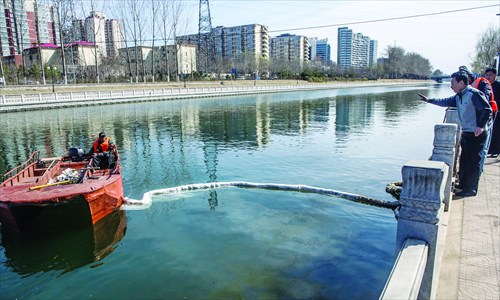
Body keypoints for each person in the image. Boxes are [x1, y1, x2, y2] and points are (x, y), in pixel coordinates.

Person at [418, 71, 492, 197]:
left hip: (477, 133)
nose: (451, 86)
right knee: (464, 161)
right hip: (467, 132)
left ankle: (471, 189)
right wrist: (430, 100)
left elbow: (486, 110)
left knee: (473, 162)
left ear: (461, 83)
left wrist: (480, 126)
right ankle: (463, 185)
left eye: (453, 83)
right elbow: (445, 101)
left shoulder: (474, 94)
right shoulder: (458, 96)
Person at [484, 67, 500, 157]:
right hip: (489, 112)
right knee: (489, 131)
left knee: (497, 131)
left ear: (495, 76)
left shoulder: (498, 85)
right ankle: (489, 149)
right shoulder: (486, 86)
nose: (488, 77)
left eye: (491, 75)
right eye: (487, 75)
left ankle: (496, 150)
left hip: (498, 112)